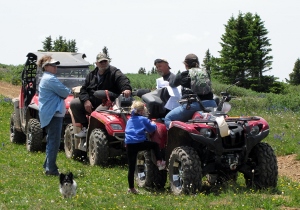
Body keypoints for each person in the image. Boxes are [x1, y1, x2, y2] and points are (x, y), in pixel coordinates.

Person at [70, 52, 132, 138]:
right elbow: (83, 89)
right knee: (74, 103)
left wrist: (126, 89)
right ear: (96, 63)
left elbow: (123, 80)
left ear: (108, 62)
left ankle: (95, 133)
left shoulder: (114, 72)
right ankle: (85, 127)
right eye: (101, 62)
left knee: (96, 114)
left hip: (107, 102)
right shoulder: (91, 75)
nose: (103, 64)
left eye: (105, 61)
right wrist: (86, 101)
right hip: (92, 101)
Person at [37, 55, 71, 176]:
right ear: (46, 67)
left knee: (52, 140)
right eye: (53, 65)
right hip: (53, 114)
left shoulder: (47, 78)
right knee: (54, 142)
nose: (55, 67)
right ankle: (51, 169)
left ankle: (48, 165)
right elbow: (65, 92)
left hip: (51, 114)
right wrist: (64, 93)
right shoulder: (50, 79)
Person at [164, 53, 217, 129]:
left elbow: (172, 84)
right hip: (211, 104)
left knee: (168, 118)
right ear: (198, 63)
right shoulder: (206, 73)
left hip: (193, 106)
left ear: (186, 64)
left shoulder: (183, 75)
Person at [125, 101, 166, 194]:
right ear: (142, 111)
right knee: (154, 145)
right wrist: (154, 124)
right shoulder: (143, 119)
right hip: (139, 143)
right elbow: (151, 129)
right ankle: (160, 162)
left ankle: (131, 188)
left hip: (129, 144)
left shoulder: (129, 120)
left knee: (131, 167)